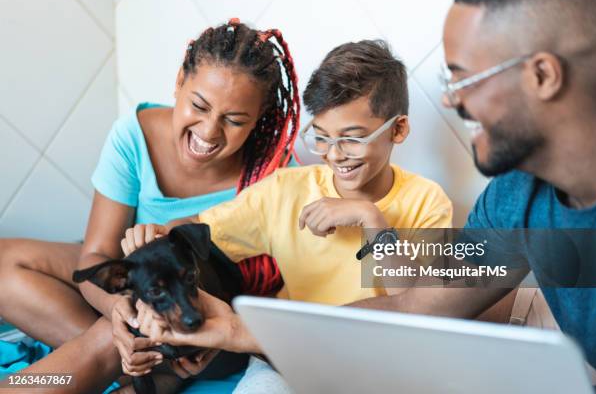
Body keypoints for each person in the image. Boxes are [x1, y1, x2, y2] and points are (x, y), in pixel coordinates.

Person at [132, 0, 596, 384]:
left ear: (543, 75)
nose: (449, 100)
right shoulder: (513, 201)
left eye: (464, 79)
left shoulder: (436, 200)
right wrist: (237, 330)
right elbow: (416, 308)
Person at [121, 39, 454, 392]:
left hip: (378, 367)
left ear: (398, 129)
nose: (335, 155)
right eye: (322, 138)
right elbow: (194, 230)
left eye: (352, 139)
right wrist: (157, 236)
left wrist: (371, 219)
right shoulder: (286, 190)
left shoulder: (427, 201)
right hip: (284, 360)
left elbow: (418, 304)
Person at [0, 19, 300, 393]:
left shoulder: (283, 181)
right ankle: (132, 362)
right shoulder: (134, 135)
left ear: (258, 119)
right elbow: (96, 253)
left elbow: (284, 295)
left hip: (200, 303)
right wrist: (117, 314)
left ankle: (122, 357)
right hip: (135, 285)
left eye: (235, 120)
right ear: (179, 82)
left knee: (116, 337)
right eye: (199, 106)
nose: (208, 132)